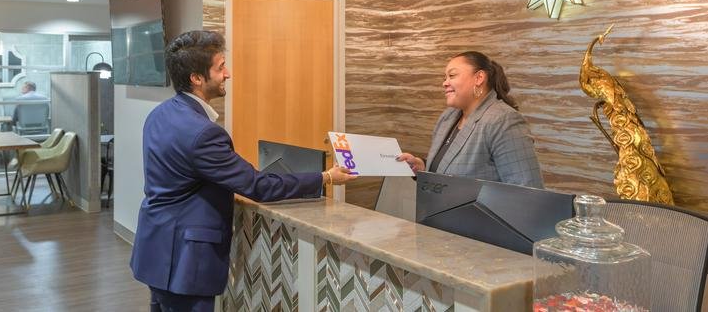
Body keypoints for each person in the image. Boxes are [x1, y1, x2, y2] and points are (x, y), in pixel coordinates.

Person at [130, 30, 356, 312]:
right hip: (185, 260)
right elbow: (257, 186)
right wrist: (325, 177)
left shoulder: (160, 114)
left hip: (156, 248)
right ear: (197, 78)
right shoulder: (203, 134)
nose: (228, 74)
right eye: (220, 67)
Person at [398, 51, 543, 188]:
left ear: (479, 78)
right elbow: (447, 168)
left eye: (452, 75)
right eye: (445, 78)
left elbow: (527, 190)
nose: (445, 83)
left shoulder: (504, 120)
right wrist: (421, 166)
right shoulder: (448, 117)